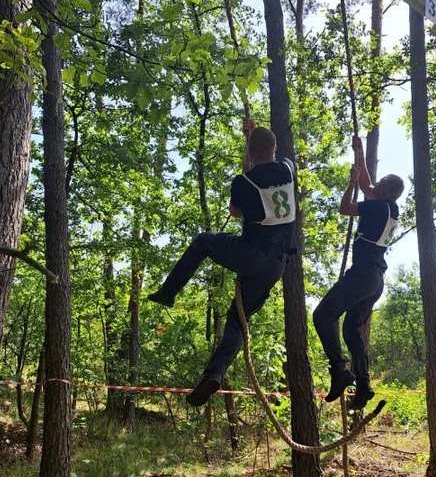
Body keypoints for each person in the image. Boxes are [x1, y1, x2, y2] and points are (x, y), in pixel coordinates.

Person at [148, 118, 296, 407]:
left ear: (250, 154)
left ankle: (169, 292)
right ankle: (214, 374)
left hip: (251, 255)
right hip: (276, 266)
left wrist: (244, 172)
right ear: (275, 148)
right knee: (236, 321)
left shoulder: (243, 182)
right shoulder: (289, 169)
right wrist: (252, 136)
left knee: (204, 241)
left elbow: (236, 212)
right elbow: (268, 158)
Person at [313, 136, 404, 410]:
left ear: (385, 191)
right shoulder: (389, 208)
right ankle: (363, 385)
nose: (373, 185)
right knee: (351, 330)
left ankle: (339, 370)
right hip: (375, 281)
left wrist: (351, 183)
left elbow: (345, 208)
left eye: (380, 184)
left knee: (322, 315)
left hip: (363, 275)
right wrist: (360, 153)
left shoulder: (377, 205)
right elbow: (369, 185)